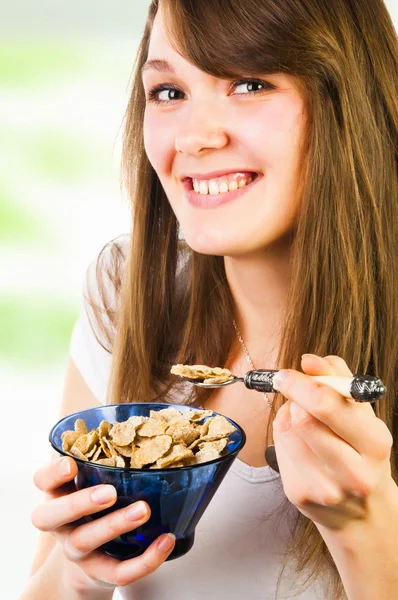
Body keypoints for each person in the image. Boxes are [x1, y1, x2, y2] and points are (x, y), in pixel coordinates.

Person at [21, 0, 398, 599]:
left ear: (348, 102)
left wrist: (367, 532)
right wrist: (78, 573)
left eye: (249, 84)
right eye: (169, 91)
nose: (196, 138)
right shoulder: (125, 298)